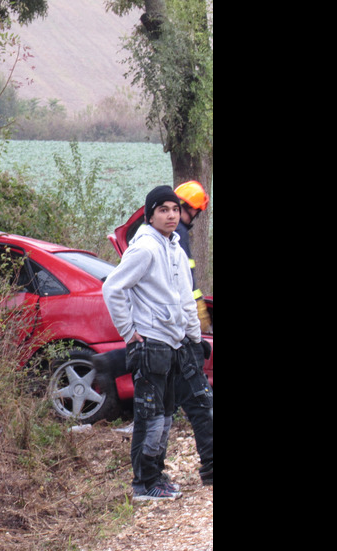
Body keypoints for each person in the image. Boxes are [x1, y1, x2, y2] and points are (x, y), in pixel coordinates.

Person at [101, 185, 203, 501]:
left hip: (174, 345)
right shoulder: (145, 248)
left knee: (167, 414)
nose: (171, 215)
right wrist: (130, 333)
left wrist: (195, 338)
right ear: (151, 215)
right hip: (151, 345)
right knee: (150, 416)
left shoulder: (173, 247)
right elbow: (113, 289)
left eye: (174, 209)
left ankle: (157, 474)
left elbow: (186, 297)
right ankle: (143, 483)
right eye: (163, 210)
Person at [170, 181, 214, 486]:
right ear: (194, 210)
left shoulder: (167, 236)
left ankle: (148, 475)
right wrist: (198, 322)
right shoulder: (179, 236)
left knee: (163, 404)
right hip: (182, 328)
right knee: (199, 401)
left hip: (172, 329)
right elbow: (188, 285)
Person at [173, 181, 211, 333]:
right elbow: (185, 273)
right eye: (197, 211)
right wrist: (196, 303)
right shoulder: (179, 231)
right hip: (184, 301)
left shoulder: (166, 227)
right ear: (191, 208)